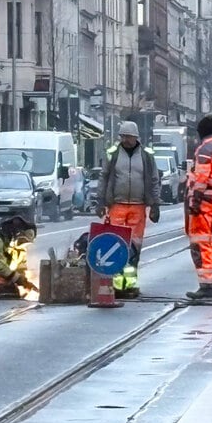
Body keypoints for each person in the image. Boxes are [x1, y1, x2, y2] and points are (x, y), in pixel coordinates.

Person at [94, 120, 162, 298]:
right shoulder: (113, 154)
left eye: (128, 136)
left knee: (134, 247)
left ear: (135, 137)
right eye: (122, 136)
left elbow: (154, 180)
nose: (125, 139)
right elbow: (104, 177)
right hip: (117, 205)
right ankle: (117, 285)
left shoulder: (146, 156)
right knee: (116, 246)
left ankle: (130, 284)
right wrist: (100, 201)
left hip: (138, 207)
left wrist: (155, 204)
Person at [185, 115, 212, 300]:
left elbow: (202, 177)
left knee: (199, 244)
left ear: (201, 131)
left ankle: (206, 285)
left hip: (204, 202)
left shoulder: (205, 149)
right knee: (210, 243)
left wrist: (194, 201)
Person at [0, 215, 39, 297]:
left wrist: (23, 279)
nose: (23, 245)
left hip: (5, 275)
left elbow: (21, 264)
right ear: (17, 233)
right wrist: (18, 280)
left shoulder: (17, 245)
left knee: (16, 291)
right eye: (23, 240)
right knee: (9, 292)